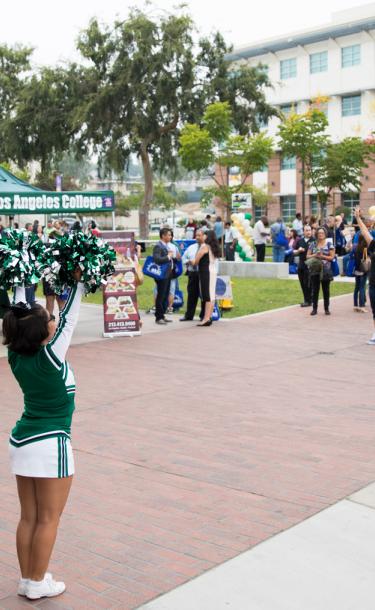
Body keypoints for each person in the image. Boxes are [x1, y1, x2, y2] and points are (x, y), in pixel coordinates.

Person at [2, 271, 84, 600]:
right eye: (50, 318)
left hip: (23, 441)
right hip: (51, 443)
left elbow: (22, 312)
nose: (55, 319)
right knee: (49, 518)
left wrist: (23, 275)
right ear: (44, 331)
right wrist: (79, 280)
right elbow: (72, 317)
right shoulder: (50, 357)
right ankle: (37, 583)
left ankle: (28, 579)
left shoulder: (16, 355)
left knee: (29, 516)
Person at [353, 208, 375, 344]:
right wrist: (358, 219)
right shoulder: (374, 244)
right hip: (374, 283)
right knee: (374, 310)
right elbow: (366, 233)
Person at [192, 229, 220, 326]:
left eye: (204, 235)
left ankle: (206, 318)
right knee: (211, 295)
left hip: (206, 272)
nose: (202, 236)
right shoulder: (213, 247)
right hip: (212, 271)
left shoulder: (204, 247)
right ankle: (209, 316)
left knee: (207, 295)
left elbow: (195, 261)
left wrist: (189, 261)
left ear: (207, 237)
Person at [306, 227, 335, 315]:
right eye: (319, 233)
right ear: (316, 234)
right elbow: (307, 256)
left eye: (322, 233)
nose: (320, 234)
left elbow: (332, 257)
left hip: (325, 270)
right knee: (315, 290)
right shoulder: (313, 244)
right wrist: (315, 255)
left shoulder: (330, 244)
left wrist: (322, 256)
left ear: (325, 234)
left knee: (326, 290)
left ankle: (326, 308)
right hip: (315, 270)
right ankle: (314, 309)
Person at [152, 228, 174, 325]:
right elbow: (157, 259)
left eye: (170, 235)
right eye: (168, 235)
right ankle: (158, 317)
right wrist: (168, 256)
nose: (170, 237)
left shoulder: (166, 246)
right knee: (160, 296)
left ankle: (162, 315)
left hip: (167, 274)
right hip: (161, 275)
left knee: (165, 295)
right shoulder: (158, 246)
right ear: (163, 236)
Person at [180, 239, 203, 321]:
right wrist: (188, 261)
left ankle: (203, 316)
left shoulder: (207, 248)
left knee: (203, 295)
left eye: (199, 235)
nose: (197, 237)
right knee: (191, 295)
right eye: (196, 235)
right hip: (192, 273)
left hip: (203, 274)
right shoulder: (191, 247)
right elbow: (183, 258)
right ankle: (189, 315)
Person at [294, 225, 315, 307]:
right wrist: (298, 250)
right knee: (302, 283)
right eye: (306, 230)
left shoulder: (313, 241)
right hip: (301, 265)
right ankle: (306, 299)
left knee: (308, 283)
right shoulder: (300, 241)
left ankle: (309, 301)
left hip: (310, 265)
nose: (308, 232)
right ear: (303, 232)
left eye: (309, 230)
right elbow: (294, 251)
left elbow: (315, 252)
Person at [353, 233, 369, 313]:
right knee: (362, 288)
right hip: (363, 270)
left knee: (356, 288)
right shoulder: (365, 249)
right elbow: (365, 260)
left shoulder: (355, 247)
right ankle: (362, 305)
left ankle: (355, 305)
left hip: (356, 270)